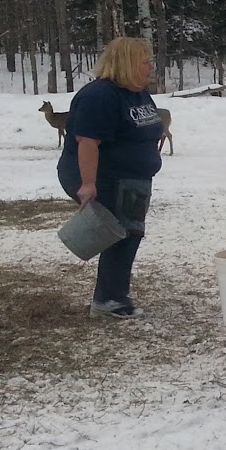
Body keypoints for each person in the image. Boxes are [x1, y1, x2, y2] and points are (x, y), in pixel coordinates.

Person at [57, 36, 164, 319]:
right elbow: (88, 142)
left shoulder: (137, 93)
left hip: (134, 178)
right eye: (145, 62)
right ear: (127, 63)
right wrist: (88, 184)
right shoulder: (99, 95)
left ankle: (113, 295)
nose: (150, 67)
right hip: (104, 175)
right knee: (120, 234)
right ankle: (108, 300)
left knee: (131, 233)